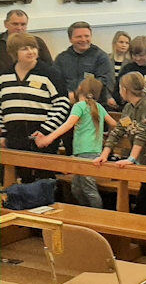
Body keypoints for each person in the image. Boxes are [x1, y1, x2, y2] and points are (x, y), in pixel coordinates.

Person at [32, 76, 116, 208]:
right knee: (77, 187)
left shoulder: (80, 106)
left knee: (89, 189)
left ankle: (97, 216)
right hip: (84, 152)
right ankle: (86, 212)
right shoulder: (98, 107)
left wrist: (49, 138)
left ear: (80, 89)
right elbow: (114, 124)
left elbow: (68, 125)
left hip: (87, 153)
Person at [0, 33, 70, 181]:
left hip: (43, 137)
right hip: (15, 138)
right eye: (24, 48)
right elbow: (1, 108)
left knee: (44, 181)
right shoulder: (4, 76)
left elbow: (62, 104)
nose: (31, 52)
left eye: (33, 48)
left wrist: (45, 131)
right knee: (23, 180)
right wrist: (3, 134)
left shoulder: (50, 73)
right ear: (14, 52)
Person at [94, 71, 146, 215]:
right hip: (139, 157)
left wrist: (131, 158)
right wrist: (104, 154)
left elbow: (143, 133)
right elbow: (118, 131)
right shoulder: (128, 107)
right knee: (145, 194)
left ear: (124, 89)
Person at [53, 22, 116, 113]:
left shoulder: (102, 57)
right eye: (79, 37)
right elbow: (56, 82)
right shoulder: (61, 59)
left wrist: (80, 94)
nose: (83, 39)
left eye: (87, 36)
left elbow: (106, 82)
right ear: (70, 39)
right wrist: (68, 95)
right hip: (67, 107)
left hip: (94, 106)